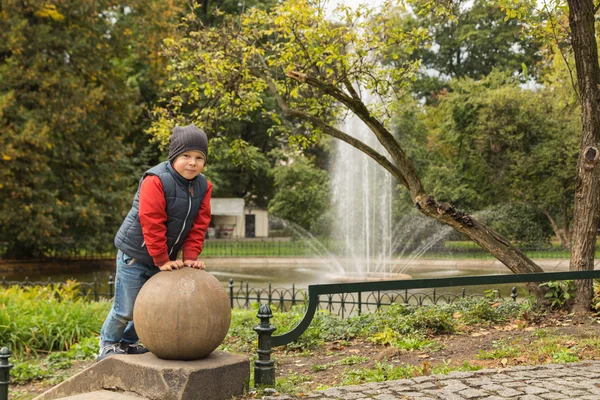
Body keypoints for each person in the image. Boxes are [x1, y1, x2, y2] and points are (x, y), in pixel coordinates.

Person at [98, 124, 213, 361]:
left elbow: (199, 224)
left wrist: (190, 257)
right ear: (173, 156)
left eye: (199, 157)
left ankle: (128, 343)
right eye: (186, 156)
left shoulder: (203, 186)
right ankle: (108, 344)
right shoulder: (156, 179)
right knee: (127, 308)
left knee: (151, 306)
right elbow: (151, 221)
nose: (192, 162)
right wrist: (161, 258)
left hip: (164, 258)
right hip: (135, 253)